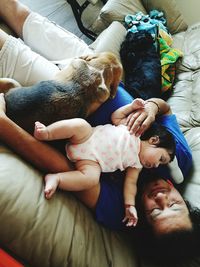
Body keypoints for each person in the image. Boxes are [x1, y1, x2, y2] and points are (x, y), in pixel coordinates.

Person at [0, 0, 199, 263]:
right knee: (18, 12)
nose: (160, 197)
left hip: (57, 98)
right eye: (174, 205)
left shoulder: (118, 208)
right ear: (186, 205)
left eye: (155, 212)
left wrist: (3, 124)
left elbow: (59, 165)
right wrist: (151, 106)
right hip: (96, 69)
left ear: (142, 225)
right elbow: (166, 112)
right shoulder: (179, 160)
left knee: (4, 45)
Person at [33, 98, 175, 227]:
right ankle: (47, 133)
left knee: (92, 179)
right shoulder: (133, 130)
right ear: (154, 140)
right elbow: (116, 116)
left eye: (160, 164)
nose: (156, 165)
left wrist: (129, 205)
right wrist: (131, 107)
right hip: (86, 137)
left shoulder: (136, 165)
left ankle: (57, 179)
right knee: (80, 125)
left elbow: (130, 185)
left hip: (91, 162)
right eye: (161, 159)